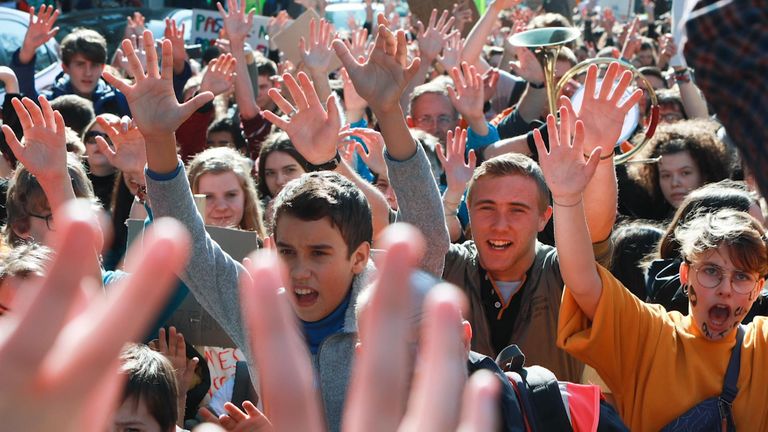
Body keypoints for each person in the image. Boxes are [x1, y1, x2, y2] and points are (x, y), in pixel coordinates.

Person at [104, 27, 443, 431]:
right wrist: (159, 139)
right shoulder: (258, 308)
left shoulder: (392, 301)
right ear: (269, 246)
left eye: (319, 253)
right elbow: (187, 241)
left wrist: (389, 113)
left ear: (359, 257)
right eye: (287, 252)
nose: (300, 270)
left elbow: (429, 233)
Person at [349, 59, 638, 383]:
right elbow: (392, 223)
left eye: (517, 209)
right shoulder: (448, 266)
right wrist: (386, 115)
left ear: (545, 217)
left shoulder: (560, 270)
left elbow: (595, 233)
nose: (500, 223)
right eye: (487, 207)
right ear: (468, 211)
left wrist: (599, 152)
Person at [538, 107, 768, 430]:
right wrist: (566, 197)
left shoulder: (763, 346)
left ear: (759, 289)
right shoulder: (650, 333)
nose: (726, 288)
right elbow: (582, 281)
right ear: (685, 275)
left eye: (742, 276)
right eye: (712, 271)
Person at [11, 9, 131, 117]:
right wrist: (28, 48)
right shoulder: (51, 101)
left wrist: (134, 75)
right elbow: (24, 94)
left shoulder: (119, 100)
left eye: (94, 65)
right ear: (65, 67)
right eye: (80, 64)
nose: (88, 72)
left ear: (103, 68)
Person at [629, 119, 731, 219]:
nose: (675, 183)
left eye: (685, 173)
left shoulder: (726, 218)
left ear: (705, 174)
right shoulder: (652, 217)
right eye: (666, 175)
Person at [186, 146, 266, 237]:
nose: (221, 207)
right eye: (208, 197)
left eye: (231, 195)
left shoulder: (268, 249)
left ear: (246, 197)